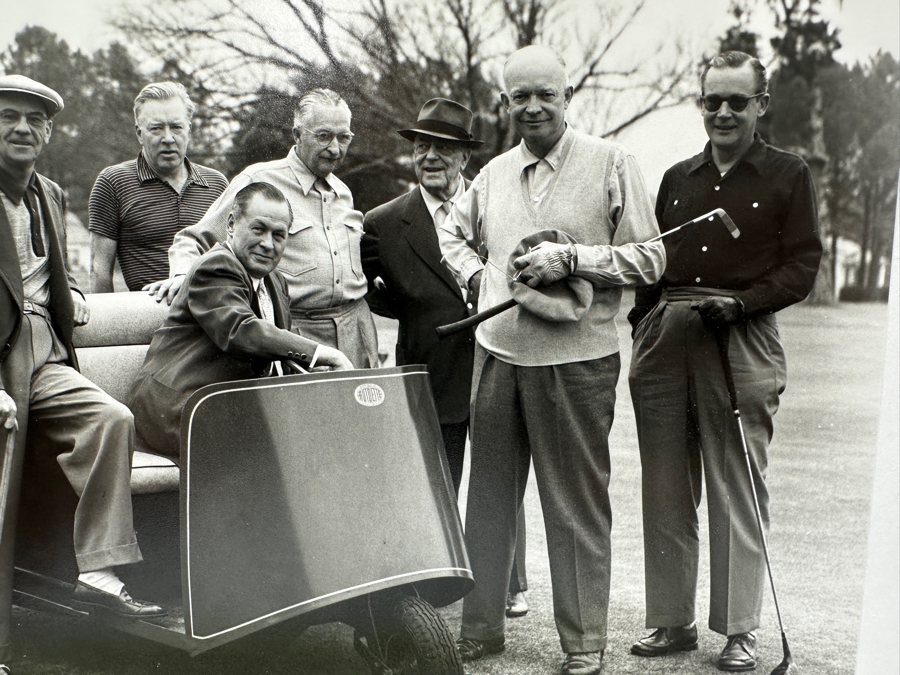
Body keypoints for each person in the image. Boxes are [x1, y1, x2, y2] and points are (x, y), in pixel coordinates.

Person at [438, 46, 666, 675]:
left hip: (578, 361)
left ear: (567, 97)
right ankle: (480, 628)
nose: (532, 107)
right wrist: (480, 277)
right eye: (520, 96)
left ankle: (584, 642)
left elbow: (650, 259)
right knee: (486, 500)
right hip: (498, 356)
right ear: (504, 102)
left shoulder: (612, 163)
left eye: (546, 94)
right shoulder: (491, 175)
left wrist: (575, 261)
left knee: (574, 505)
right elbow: (450, 235)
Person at [627, 51, 822, 672]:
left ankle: (739, 630)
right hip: (668, 336)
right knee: (663, 484)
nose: (724, 112)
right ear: (701, 103)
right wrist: (643, 327)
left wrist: (742, 304)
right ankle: (670, 621)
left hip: (740, 335)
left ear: (761, 105)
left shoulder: (788, 173)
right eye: (713, 100)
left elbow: (802, 265)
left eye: (738, 101)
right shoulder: (677, 177)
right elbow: (653, 264)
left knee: (737, 485)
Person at [0, 75, 163, 627]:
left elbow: (47, 270)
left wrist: (69, 295)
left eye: (35, 119)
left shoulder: (48, 192)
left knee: (111, 419)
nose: (23, 128)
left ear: (48, 130)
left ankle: (97, 569)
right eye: (8, 116)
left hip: (44, 354)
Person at [361, 97, 530, 618]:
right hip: (431, 365)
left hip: (503, 356)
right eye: (422, 146)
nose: (431, 156)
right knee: (436, 477)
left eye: (444, 148)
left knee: (501, 476)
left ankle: (510, 582)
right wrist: (421, 315)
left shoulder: (501, 202)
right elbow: (372, 293)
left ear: (464, 157)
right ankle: (436, 580)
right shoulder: (384, 222)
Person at [129, 182, 353, 460]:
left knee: (335, 433)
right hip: (181, 409)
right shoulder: (216, 267)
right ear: (232, 224)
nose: (268, 244)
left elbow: (274, 353)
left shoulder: (275, 280)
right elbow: (241, 330)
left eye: (279, 235)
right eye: (258, 229)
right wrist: (321, 353)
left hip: (231, 406)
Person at [159, 88, 377, 368]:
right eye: (323, 136)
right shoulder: (259, 180)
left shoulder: (342, 192)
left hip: (356, 329)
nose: (335, 149)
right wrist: (181, 275)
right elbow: (193, 239)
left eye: (343, 137)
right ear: (297, 135)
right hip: (297, 333)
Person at [88, 82, 227, 294]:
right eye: (156, 128)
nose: (168, 138)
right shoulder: (113, 182)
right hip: (149, 315)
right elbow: (99, 271)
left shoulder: (217, 184)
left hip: (211, 310)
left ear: (189, 129)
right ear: (139, 133)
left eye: (176, 127)